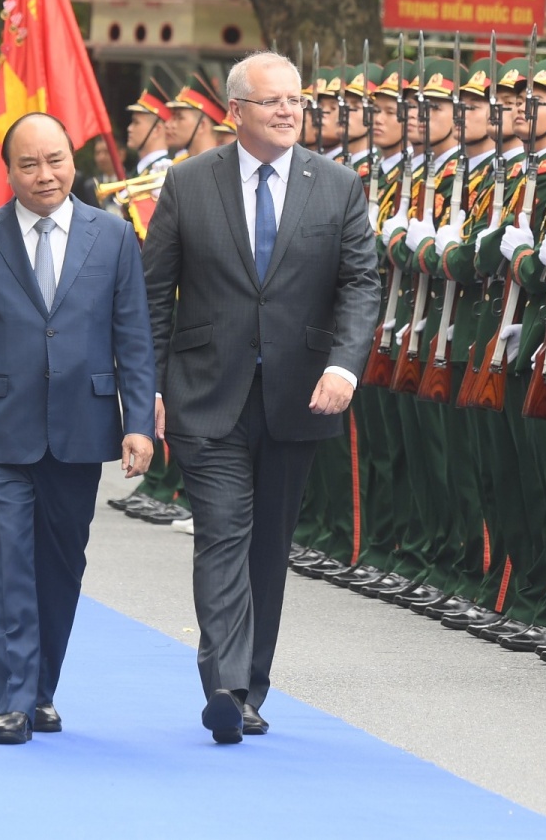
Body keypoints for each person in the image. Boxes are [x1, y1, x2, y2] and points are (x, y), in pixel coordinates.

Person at [140, 50, 379, 743]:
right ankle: (225, 684)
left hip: (298, 394)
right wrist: (147, 388)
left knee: (268, 547)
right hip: (206, 393)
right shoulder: (188, 184)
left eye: (295, 102)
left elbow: (361, 284)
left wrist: (345, 366)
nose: (286, 112)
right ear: (235, 111)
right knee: (221, 534)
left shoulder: (336, 186)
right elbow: (155, 295)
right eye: (272, 101)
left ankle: (251, 683)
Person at [0, 112, 156, 745]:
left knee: (60, 567)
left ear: (72, 161)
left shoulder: (113, 237)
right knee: (7, 566)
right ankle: (13, 703)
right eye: (29, 164)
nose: (44, 175)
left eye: (55, 160)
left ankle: (41, 688)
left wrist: (140, 422)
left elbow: (134, 338)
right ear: (9, 171)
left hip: (82, 429)